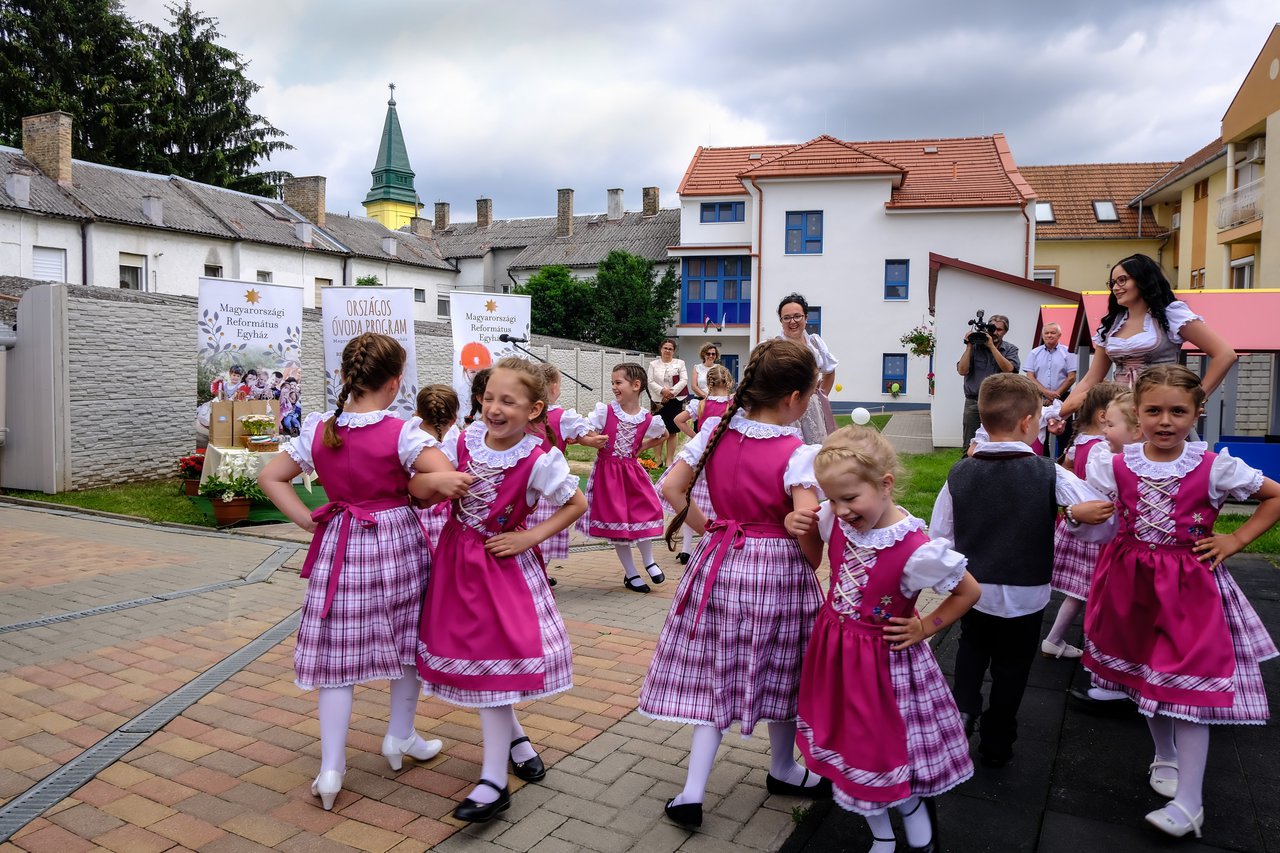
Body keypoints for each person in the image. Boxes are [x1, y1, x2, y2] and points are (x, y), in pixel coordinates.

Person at [638, 339, 831, 829]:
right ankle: (784, 768)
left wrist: (712, 528)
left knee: (717, 674)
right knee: (785, 670)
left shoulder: (713, 433)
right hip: (776, 574)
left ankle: (691, 792)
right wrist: (811, 554)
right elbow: (809, 535)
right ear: (792, 398)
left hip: (719, 563)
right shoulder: (798, 453)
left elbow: (670, 488)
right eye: (807, 398)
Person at [1082, 365, 1279, 840]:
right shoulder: (1117, 463)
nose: (1165, 421)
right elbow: (1104, 523)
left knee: (1187, 692)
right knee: (1144, 677)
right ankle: (1164, 754)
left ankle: (1191, 801)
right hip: (1130, 586)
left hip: (1189, 592)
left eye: (1178, 411)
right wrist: (1080, 515)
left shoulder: (1213, 467)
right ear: (1138, 410)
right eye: (1153, 410)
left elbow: (1274, 497)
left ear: (1197, 413)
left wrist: (1234, 541)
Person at [256, 333, 450, 811]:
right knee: (407, 642)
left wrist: (308, 518)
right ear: (396, 382)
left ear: (346, 377)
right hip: (397, 544)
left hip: (339, 543)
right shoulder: (403, 432)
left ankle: (331, 768)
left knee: (337, 659)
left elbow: (269, 476)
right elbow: (440, 479)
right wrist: (416, 484)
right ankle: (399, 737)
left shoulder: (319, 426)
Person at [788, 426, 981, 853]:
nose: (838, 510)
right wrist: (793, 522)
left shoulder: (915, 546)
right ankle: (882, 833)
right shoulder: (831, 518)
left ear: (885, 484)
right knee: (847, 743)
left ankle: (911, 810)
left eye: (849, 499)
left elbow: (968, 591)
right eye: (832, 498)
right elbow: (813, 543)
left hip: (884, 664)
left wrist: (925, 626)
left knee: (881, 747)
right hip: (835, 653)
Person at [416, 357, 588, 823]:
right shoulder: (462, 439)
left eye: (507, 401)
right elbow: (419, 485)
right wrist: (437, 482)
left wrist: (530, 536)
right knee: (478, 660)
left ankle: (493, 781)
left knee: (493, 663)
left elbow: (576, 502)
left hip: (499, 568)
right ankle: (515, 740)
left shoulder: (537, 458)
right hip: (456, 563)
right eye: (488, 397)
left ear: (534, 410)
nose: (493, 408)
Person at [931, 373, 1115, 769]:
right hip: (1027, 590)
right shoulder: (1050, 472)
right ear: (1028, 422)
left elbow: (940, 537)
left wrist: (948, 582)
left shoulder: (958, 474)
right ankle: (999, 740)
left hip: (974, 589)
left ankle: (963, 707)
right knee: (1013, 667)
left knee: (971, 649)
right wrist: (1072, 516)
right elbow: (1102, 520)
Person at [1061, 253, 1237, 418]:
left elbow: (1225, 354)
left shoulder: (1170, 314)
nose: (1116, 288)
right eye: (1113, 282)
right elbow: (1092, 377)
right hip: (1120, 413)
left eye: (1122, 280)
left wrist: (1195, 400)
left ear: (1142, 280)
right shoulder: (1112, 324)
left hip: (1159, 411)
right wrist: (1061, 413)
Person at [1040, 382, 1126, 660]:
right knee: (1098, 590)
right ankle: (1101, 648)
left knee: (1080, 592)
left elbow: (1067, 473)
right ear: (1104, 416)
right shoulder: (1104, 448)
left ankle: (1056, 639)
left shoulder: (1079, 443)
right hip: (1098, 527)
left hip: (1080, 522)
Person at [579, 363, 670, 592]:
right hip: (608, 475)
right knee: (618, 521)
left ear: (636, 385)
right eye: (613, 383)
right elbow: (584, 429)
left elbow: (664, 435)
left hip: (632, 472)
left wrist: (641, 448)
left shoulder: (647, 419)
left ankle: (649, 561)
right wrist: (593, 439)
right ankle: (631, 573)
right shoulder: (605, 411)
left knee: (646, 510)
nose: (614, 387)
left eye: (618, 382)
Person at [662, 364, 734, 563]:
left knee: (691, 499)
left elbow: (678, 420)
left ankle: (686, 549)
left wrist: (698, 436)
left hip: (699, 455)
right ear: (729, 381)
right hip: (723, 455)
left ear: (708, 383)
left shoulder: (701, 404)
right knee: (715, 502)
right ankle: (713, 542)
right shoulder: (734, 403)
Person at [526, 363, 591, 581]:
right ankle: (538, 571)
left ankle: (536, 569)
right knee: (546, 531)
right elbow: (584, 433)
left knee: (527, 527)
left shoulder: (524, 412)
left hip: (525, 482)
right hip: (550, 485)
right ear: (554, 388)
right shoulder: (562, 416)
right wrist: (595, 441)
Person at [776, 293, 837, 444]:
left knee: (814, 451)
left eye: (797, 316)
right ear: (781, 321)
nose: (792, 322)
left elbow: (829, 371)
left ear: (806, 317)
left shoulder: (815, 343)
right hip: (785, 408)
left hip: (812, 409)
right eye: (787, 317)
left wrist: (816, 397)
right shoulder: (775, 346)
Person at [956, 313, 1018, 450]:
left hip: (998, 402)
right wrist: (968, 346)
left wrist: (991, 347)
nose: (994, 332)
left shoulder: (1010, 349)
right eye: (992, 328)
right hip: (973, 402)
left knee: (997, 442)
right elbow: (962, 370)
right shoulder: (975, 347)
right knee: (969, 444)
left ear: (1005, 332)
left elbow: (1009, 370)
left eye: (999, 330)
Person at [412, 384, 462, 553]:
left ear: (418, 414)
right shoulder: (460, 440)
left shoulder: (409, 439)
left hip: (415, 515)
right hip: (452, 516)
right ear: (454, 419)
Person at [1025, 322, 1076, 456]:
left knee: (1064, 432)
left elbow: (1071, 377)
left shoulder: (1068, 352)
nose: (1049, 335)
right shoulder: (1034, 353)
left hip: (1063, 398)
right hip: (1039, 398)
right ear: (1042, 335)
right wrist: (1046, 393)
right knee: (1040, 434)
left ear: (1059, 335)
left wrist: (1056, 394)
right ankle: (1044, 462)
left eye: (1053, 333)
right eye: (1046, 333)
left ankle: (1063, 461)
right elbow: (1030, 376)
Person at [647, 339, 689, 468]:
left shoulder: (680, 363)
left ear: (674, 351)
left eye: (670, 349)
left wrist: (671, 393)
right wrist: (662, 392)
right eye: (665, 348)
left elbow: (684, 380)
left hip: (675, 400)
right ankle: (658, 460)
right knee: (658, 430)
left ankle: (669, 460)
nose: (667, 351)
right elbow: (650, 381)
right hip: (658, 400)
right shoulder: (653, 364)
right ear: (661, 349)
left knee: (672, 431)